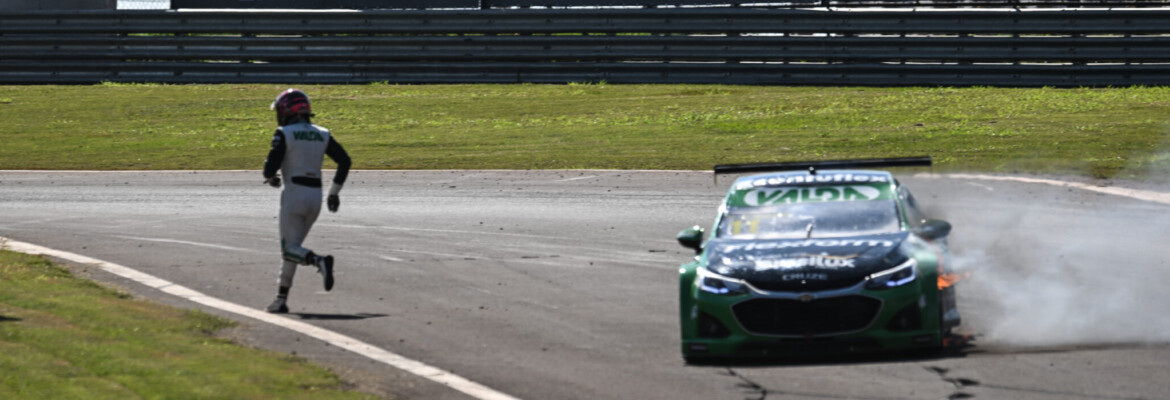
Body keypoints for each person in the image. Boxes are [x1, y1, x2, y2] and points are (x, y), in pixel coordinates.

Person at [262, 88, 352, 314]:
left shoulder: (284, 133)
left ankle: (319, 261)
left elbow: (269, 169)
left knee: (288, 250)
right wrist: (334, 192)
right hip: (317, 197)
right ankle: (281, 298)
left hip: (294, 195)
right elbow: (344, 161)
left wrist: (271, 176)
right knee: (294, 247)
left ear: (286, 110)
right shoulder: (322, 133)